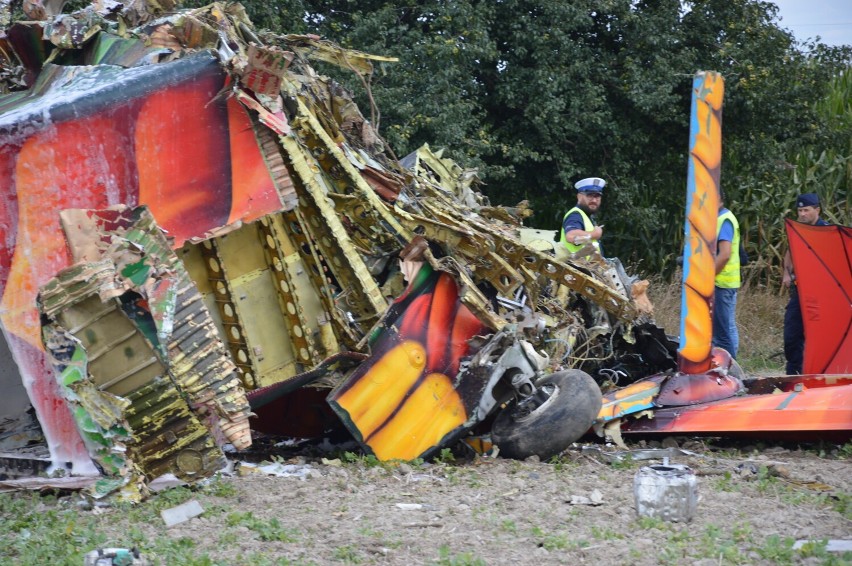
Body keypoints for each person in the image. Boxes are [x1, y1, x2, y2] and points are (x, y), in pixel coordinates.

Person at [782, 192, 828, 374]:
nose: (802, 214)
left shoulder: (826, 231)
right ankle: (793, 376)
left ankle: (820, 375)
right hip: (800, 291)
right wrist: (786, 273)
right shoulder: (797, 230)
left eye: (806, 210)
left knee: (819, 339)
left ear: (817, 210)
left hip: (820, 294)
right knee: (791, 336)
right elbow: (790, 250)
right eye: (800, 211)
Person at [712, 194, 741, 359]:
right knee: (726, 328)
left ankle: (729, 370)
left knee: (723, 333)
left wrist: (708, 276)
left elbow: (724, 255)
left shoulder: (724, 220)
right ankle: (731, 367)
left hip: (722, 282)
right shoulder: (719, 219)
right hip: (722, 282)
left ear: (720, 199)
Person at [560, 177, 605, 254]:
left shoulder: (587, 216)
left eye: (597, 196)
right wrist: (595, 234)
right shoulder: (575, 214)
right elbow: (571, 236)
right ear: (579, 197)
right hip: (572, 265)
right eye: (590, 195)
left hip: (585, 265)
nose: (594, 200)